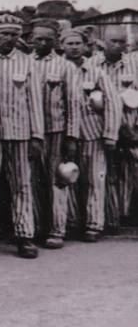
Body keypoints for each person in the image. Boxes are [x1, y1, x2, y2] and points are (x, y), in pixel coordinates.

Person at [0, 14, 44, 259]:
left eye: (14, 34)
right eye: (4, 33)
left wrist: (37, 136)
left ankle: (24, 235)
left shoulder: (27, 62)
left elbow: (35, 101)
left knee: (21, 184)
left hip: (19, 133)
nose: (9, 38)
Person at [60, 29, 118, 242]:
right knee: (66, 177)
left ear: (85, 46)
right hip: (63, 133)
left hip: (92, 132)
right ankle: (70, 221)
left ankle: (94, 224)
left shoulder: (96, 72)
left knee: (95, 179)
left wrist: (110, 133)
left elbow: (112, 102)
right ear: (62, 45)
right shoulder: (57, 68)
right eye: (69, 43)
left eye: (78, 43)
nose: (74, 47)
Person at [29, 19, 80, 249]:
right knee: (31, 181)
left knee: (56, 181)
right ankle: (33, 227)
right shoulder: (24, 63)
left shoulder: (64, 66)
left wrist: (71, 137)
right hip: (29, 132)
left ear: (55, 41)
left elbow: (73, 103)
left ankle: (56, 229)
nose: (42, 43)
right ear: (31, 39)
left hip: (55, 131)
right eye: (38, 39)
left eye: (47, 39)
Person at [96, 26, 137, 233]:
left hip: (130, 125)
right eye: (113, 41)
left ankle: (127, 214)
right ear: (104, 42)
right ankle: (111, 218)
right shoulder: (92, 64)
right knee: (106, 172)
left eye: (122, 42)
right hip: (101, 126)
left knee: (130, 171)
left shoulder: (134, 64)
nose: (118, 46)